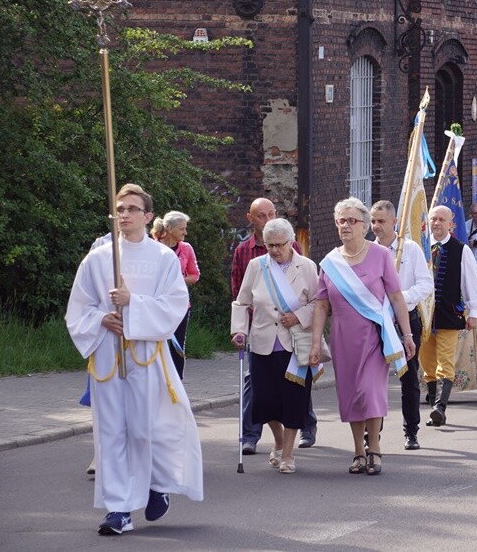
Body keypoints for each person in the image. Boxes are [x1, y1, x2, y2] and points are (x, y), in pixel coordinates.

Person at [66, 183, 201, 536]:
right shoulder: (98, 259)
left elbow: (174, 305)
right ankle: (118, 509)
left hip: (146, 356)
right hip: (108, 354)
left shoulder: (163, 259)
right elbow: (79, 308)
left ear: (148, 216)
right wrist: (101, 319)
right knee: (111, 433)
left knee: (146, 429)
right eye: (119, 209)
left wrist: (133, 304)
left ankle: (158, 484)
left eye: (131, 209)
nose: (123, 215)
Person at [310, 198, 414, 476]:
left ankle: (375, 448)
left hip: (373, 336)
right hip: (342, 338)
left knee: (369, 391)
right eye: (341, 220)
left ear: (365, 226)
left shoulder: (380, 256)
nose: (345, 225)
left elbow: (395, 296)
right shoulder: (330, 263)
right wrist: (316, 342)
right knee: (351, 395)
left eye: (351, 220)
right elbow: (321, 305)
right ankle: (358, 452)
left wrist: (407, 334)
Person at [230, 218, 318, 475]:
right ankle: (278, 441)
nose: (275, 251)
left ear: (292, 242)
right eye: (270, 245)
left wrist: (299, 316)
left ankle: (288, 454)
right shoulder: (257, 266)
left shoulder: (307, 267)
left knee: (293, 400)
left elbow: (318, 303)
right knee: (264, 400)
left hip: (294, 345)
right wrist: (238, 330)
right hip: (262, 343)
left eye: (280, 245)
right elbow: (241, 302)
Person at [368, 200, 434, 450]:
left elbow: (426, 284)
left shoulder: (411, 249)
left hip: (406, 320)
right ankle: (372, 435)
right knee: (374, 379)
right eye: (373, 221)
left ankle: (411, 431)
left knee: (408, 378)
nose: (376, 226)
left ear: (394, 221)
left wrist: (398, 299)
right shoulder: (367, 251)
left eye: (381, 221)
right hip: (377, 322)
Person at [421, 204, 477, 427]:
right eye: (433, 219)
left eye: (441, 219)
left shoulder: (460, 249)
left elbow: (471, 282)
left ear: (450, 224)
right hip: (424, 316)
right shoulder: (420, 247)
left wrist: (473, 312)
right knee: (427, 363)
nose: (436, 223)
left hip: (448, 314)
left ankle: (440, 407)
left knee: (445, 361)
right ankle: (432, 404)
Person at [152, 211, 199, 379]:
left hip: (179, 306)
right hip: (155, 304)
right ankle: (156, 380)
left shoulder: (186, 249)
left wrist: (177, 282)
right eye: (182, 229)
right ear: (169, 229)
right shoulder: (152, 247)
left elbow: (195, 275)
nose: (185, 233)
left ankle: (177, 382)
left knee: (177, 344)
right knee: (155, 341)